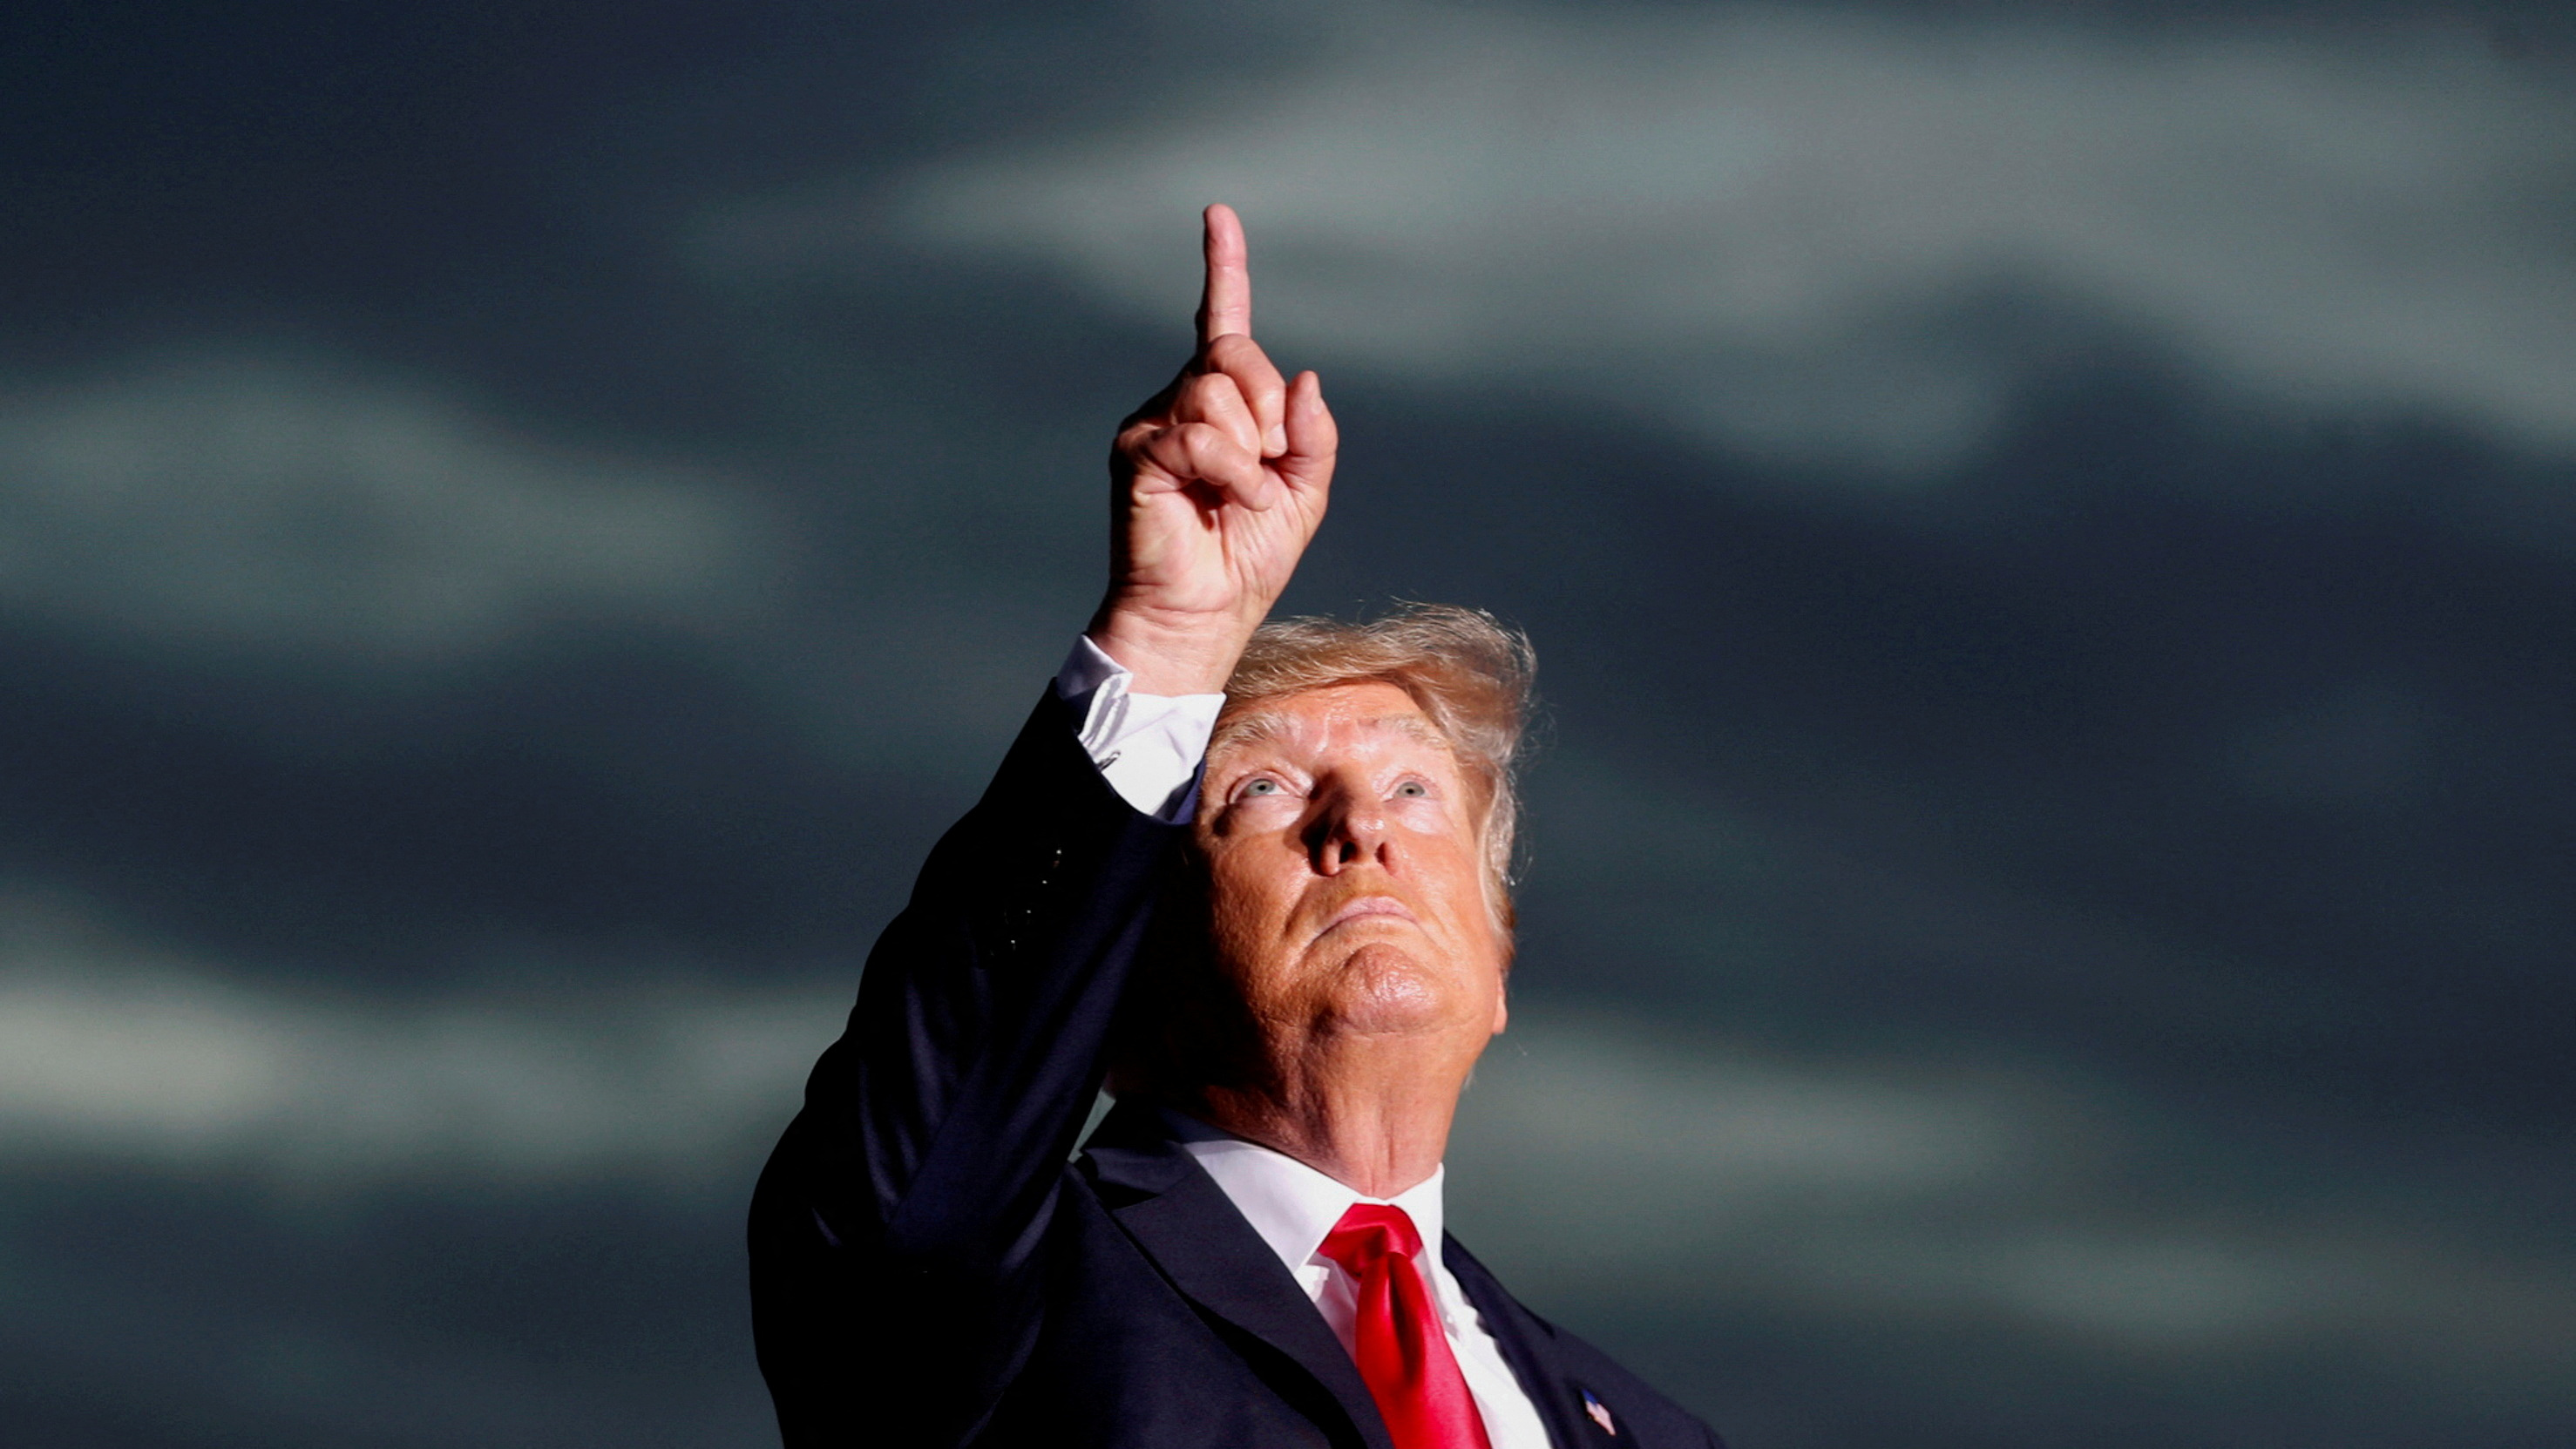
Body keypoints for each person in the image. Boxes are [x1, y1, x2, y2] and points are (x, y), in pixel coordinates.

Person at [749, 205, 1723, 1449]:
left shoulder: (1646, 1428)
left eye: (1416, 790)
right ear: (1122, 983)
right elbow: (911, 1202)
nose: (1359, 824)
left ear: (1501, 967)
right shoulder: (1008, 1292)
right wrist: (1169, 640)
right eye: (1264, 791)